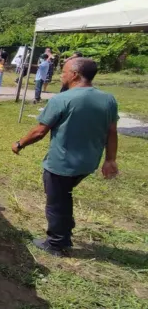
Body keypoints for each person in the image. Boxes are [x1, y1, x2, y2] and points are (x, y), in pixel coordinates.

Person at [12, 58, 119, 257]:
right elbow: (112, 132)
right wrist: (110, 159)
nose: (61, 75)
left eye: (64, 71)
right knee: (64, 195)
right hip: (88, 163)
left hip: (61, 163)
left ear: (75, 75)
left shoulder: (61, 99)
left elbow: (39, 131)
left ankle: (56, 244)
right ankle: (65, 229)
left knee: (57, 202)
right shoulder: (108, 99)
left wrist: (19, 144)